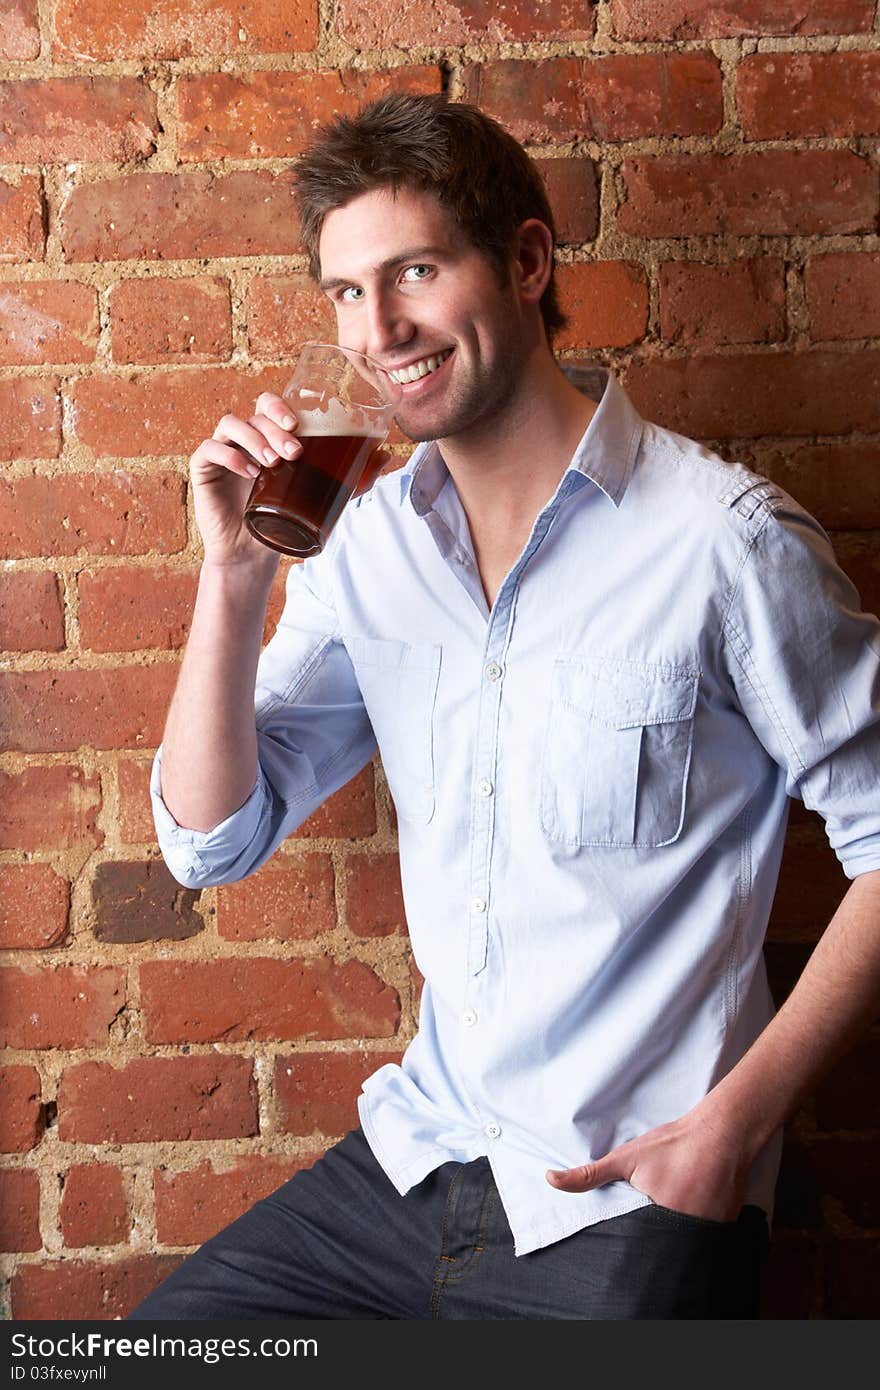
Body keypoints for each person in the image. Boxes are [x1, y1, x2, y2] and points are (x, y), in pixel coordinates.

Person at [129, 93, 880, 1320]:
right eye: (343, 293)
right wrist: (235, 574)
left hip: (626, 1190)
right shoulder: (364, 546)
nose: (378, 331)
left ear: (527, 262)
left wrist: (731, 1133)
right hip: (415, 1163)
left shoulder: (720, 542)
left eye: (415, 271)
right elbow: (210, 839)